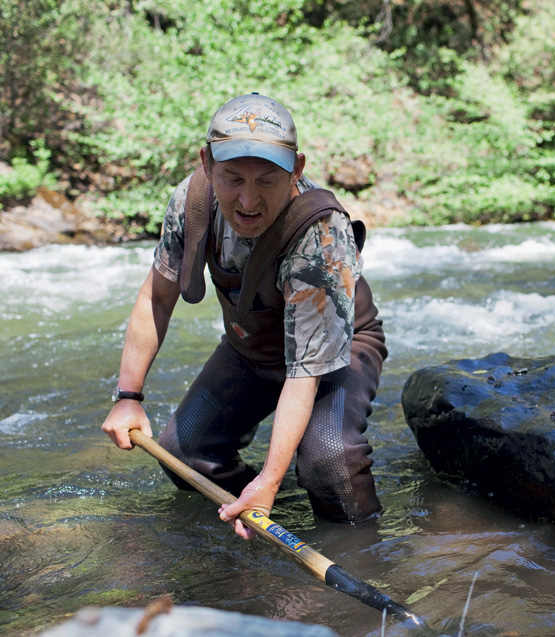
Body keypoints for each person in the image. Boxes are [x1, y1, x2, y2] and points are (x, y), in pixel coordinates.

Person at [101, 93, 387, 538]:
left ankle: (363, 548)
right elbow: (156, 298)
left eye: (267, 181)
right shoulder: (192, 202)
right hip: (250, 349)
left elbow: (305, 372)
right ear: (207, 163)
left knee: (328, 460)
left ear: (296, 169)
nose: (247, 200)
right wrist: (128, 398)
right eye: (232, 178)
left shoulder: (320, 234)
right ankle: (249, 515)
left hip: (336, 355)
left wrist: (271, 482)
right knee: (184, 451)